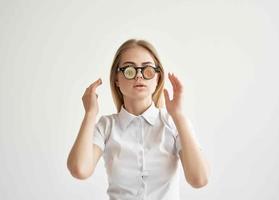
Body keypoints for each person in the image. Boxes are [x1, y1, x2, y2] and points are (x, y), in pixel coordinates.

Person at [67, 38, 210, 200]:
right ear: (117, 79)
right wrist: (90, 114)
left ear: (157, 78)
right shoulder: (106, 126)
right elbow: (80, 169)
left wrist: (178, 116)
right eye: (129, 69)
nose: (139, 75)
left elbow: (199, 179)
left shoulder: (172, 123)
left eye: (147, 69)